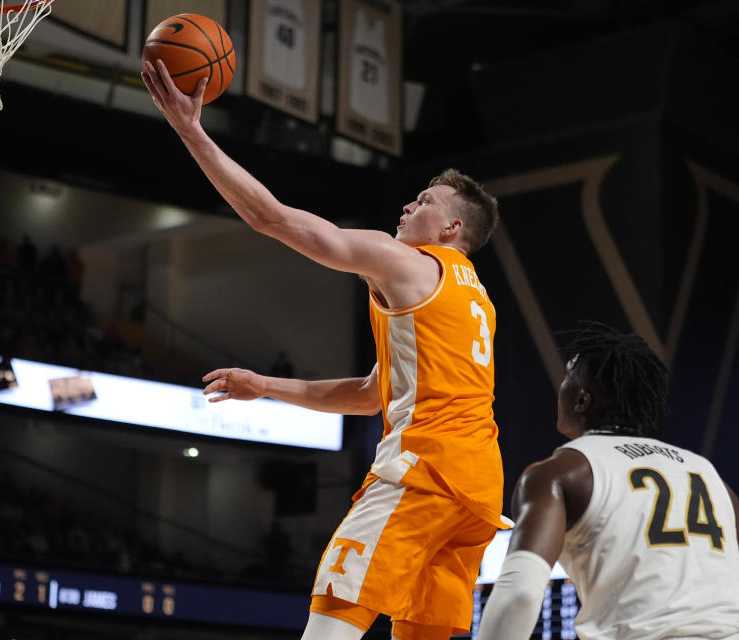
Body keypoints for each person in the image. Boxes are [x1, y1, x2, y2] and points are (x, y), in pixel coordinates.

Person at [142, 61, 511, 640]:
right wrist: (265, 387)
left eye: (424, 201)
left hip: (423, 471)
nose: (408, 208)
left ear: (451, 229)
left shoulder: (409, 262)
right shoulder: (477, 299)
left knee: (332, 618)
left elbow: (273, 218)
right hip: (478, 491)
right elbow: (371, 396)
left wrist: (192, 132)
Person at [476, 324, 739, 640]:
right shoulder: (707, 475)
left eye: (566, 380)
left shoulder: (559, 472)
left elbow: (519, 594)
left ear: (581, 400)